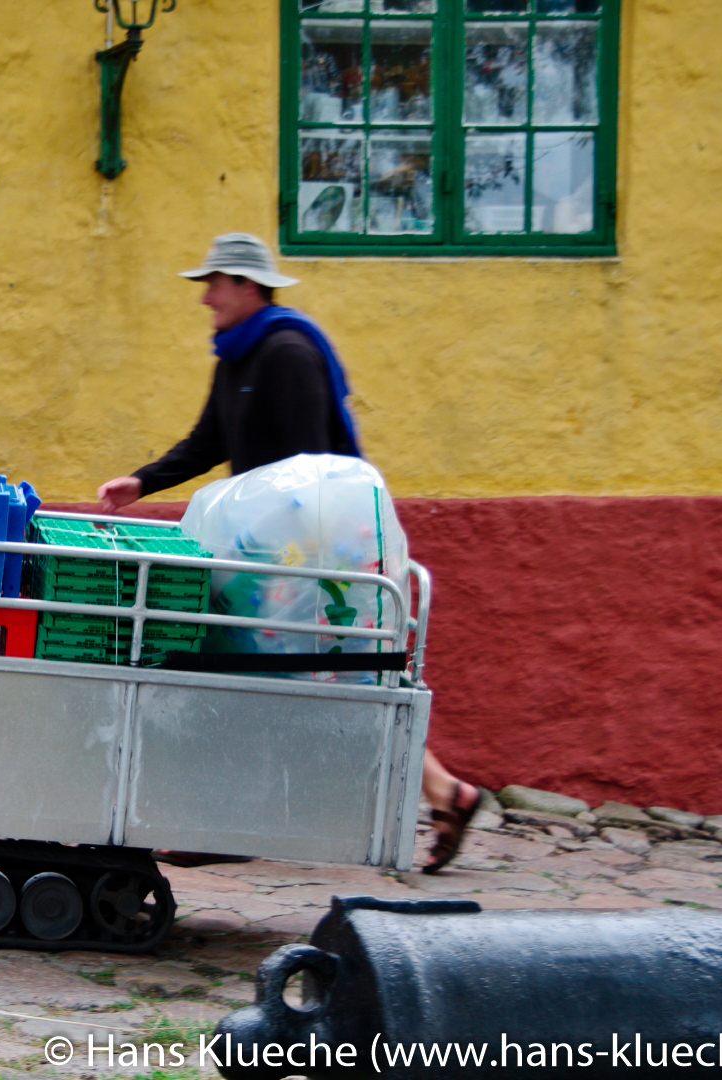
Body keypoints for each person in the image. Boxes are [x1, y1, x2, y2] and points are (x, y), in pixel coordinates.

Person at [97, 232, 479, 873]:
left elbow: (315, 475)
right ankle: (447, 792)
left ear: (248, 286)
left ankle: (229, 825)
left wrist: (278, 555)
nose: (206, 299)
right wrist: (144, 482)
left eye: (214, 284)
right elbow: (209, 439)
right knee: (331, 684)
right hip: (267, 551)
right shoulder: (238, 357)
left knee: (287, 681)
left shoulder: (290, 352)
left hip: (307, 558)